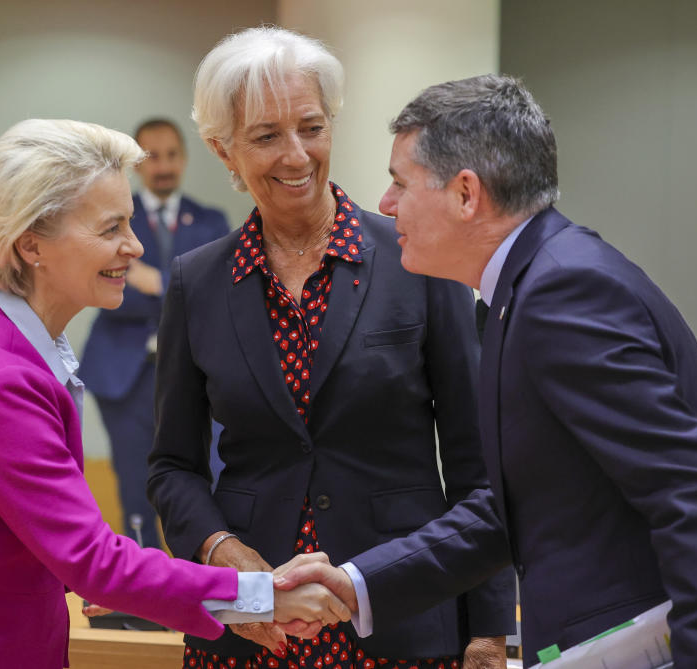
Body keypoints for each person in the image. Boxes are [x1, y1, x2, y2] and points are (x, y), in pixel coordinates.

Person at [276, 75, 697, 667]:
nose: (385, 204)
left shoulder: (564, 292)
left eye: (400, 183)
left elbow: (694, 495)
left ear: (466, 194)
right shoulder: (526, 291)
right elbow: (510, 507)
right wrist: (357, 583)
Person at [0, 119, 349, 669]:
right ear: (31, 244)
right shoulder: (1, 380)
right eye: (111, 228)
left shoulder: (11, 345)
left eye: (131, 224)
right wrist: (262, 597)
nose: (134, 247)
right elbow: (91, 558)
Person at [147, 27, 515, 669]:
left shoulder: (418, 259)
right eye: (266, 136)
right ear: (223, 150)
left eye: (311, 127)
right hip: (254, 622)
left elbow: (475, 461)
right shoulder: (197, 282)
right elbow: (172, 466)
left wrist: (488, 631)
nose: (296, 154)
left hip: (403, 616)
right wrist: (222, 552)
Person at [80, 117, 230, 546]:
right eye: (152, 157)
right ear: (137, 166)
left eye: (171, 155)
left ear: (183, 159)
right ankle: (140, 597)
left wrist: (157, 282)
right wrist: (172, 288)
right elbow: (107, 292)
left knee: (211, 480)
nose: (163, 166)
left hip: (193, 375)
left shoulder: (210, 222)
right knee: (135, 486)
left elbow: (213, 296)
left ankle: (203, 590)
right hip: (126, 376)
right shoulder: (111, 222)